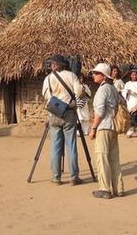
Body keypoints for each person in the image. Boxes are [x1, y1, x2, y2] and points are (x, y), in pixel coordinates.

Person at [41, 55, 85, 186]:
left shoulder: (48, 78)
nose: (52, 66)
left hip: (54, 113)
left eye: (53, 64)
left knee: (55, 146)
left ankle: (56, 177)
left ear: (56, 65)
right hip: (69, 113)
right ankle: (73, 177)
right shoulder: (72, 76)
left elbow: (46, 96)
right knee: (71, 146)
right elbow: (79, 92)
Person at [88, 63, 125, 199]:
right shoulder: (113, 89)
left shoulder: (102, 90)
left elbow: (100, 112)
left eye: (96, 73)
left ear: (103, 76)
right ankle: (118, 188)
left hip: (103, 127)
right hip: (113, 126)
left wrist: (93, 128)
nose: (93, 75)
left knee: (102, 157)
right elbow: (122, 102)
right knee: (114, 158)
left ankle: (104, 189)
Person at [122, 69, 137, 138]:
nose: (134, 76)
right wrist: (128, 92)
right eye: (133, 75)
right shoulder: (128, 84)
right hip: (131, 102)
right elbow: (124, 91)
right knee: (132, 116)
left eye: (135, 75)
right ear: (130, 76)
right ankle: (131, 130)